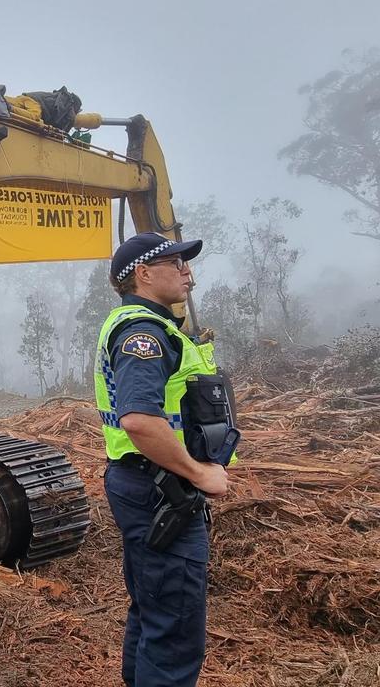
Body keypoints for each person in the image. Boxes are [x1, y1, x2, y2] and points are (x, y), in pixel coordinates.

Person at [95, 232, 231, 687]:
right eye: (176, 263)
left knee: (154, 610)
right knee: (174, 628)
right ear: (144, 274)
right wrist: (199, 472)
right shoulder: (143, 334)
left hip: (143, 483)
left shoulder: (153, 326)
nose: (188, 271)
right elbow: (139, 421)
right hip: (161, 489)